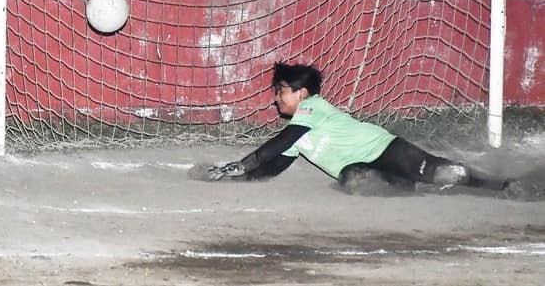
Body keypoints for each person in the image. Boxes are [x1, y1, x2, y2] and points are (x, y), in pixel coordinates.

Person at [205, 62, 515, 197]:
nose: (277, 97)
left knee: (442, 172)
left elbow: (276, 144)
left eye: (281, 90)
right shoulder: (298, 132)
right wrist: (237, 179)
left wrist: (238, 165)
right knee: (354, 179)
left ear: (302, 94)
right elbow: (273, 166)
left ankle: (506, 186)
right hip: (366, 165)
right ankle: (418, 190)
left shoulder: (312, 108)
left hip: (387, 150)